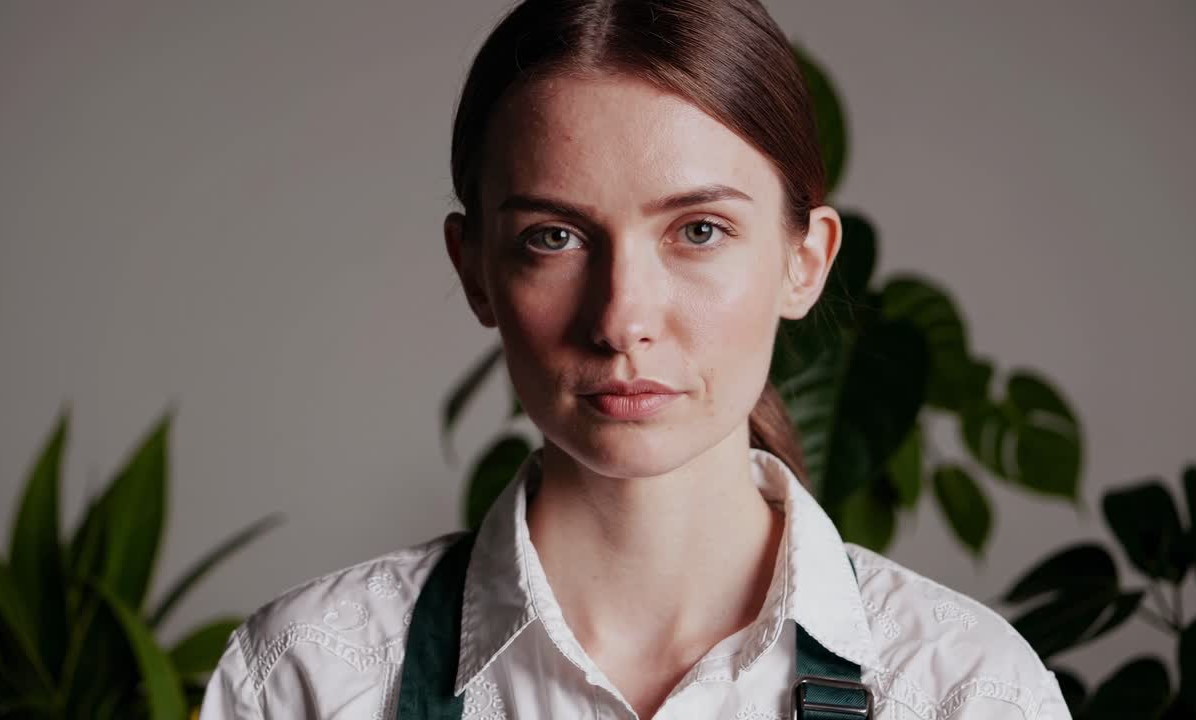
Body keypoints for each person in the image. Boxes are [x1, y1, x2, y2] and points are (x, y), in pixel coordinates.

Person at [200, 0, 1072, 718]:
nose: (621, 319)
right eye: (554, 237)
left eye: (699, 231)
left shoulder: (966, 693)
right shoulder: (310, 680)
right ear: (475, 271)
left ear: (805, 262)